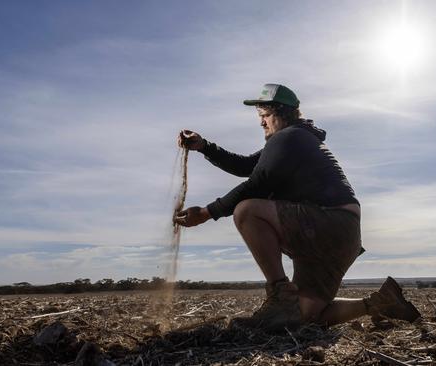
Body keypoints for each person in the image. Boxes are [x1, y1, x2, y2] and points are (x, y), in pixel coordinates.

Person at [175, 83, 420, 330]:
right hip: (342, 235)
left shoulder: (290, 137)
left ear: (283, 113)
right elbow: (245, 167)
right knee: (305, 317)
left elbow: (258, 183)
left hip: (329, 223)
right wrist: (204, 146)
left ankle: (280, 293)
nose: (262, 123)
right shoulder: (294, 139)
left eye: (265, 116)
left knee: (247, 210)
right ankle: (380, 303)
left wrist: (207, 212)